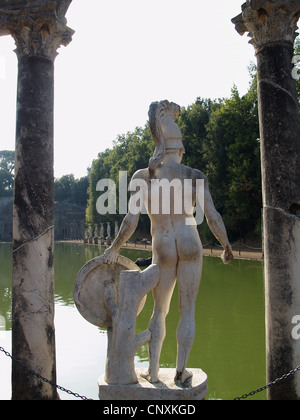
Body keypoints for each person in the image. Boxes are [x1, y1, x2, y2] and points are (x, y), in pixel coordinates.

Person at [104, 100, 233, 387]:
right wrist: (226, 246)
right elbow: (212, 217)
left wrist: (114, 248)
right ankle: (180, 370)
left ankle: (152, 372)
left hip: (162, 244)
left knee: (159, 310)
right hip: (190, 241)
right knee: (187, 310)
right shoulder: (193, 175)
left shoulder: (143, 176)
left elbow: (130, 221)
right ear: (182, 148)